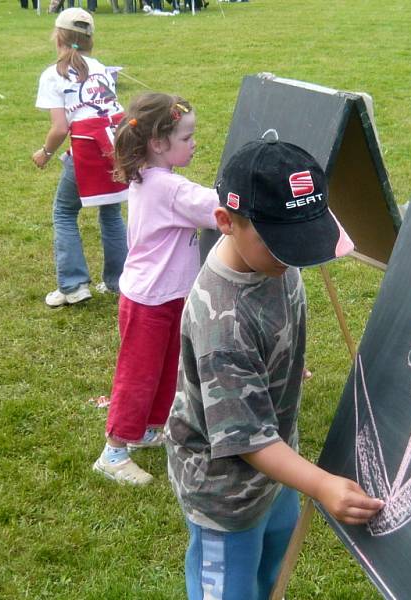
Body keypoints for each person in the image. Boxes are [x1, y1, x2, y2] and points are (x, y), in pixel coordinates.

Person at [165, 131, 384, 600]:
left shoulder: (273, 262)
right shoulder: (222, 322)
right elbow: (245, 439)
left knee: (269, 580)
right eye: (284, 244)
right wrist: (322, 485)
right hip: (226, 492)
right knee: (230, 590)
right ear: (225, 221)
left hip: (277, 469)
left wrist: (276, 366)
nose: (297, 256)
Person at [91, 93, 219, 486]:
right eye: (186, 136)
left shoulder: (149, 176)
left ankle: (147, 428)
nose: (194, 142)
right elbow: (213, 207)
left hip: (163, 295)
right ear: (157, 143)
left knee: (167, 368)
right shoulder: (168, 189)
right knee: (139, 374)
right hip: (150, 301)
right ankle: (113, 452)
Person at [33, 8, 129, 307]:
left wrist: (45, 152)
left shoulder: (53, 74)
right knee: (111, 213)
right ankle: (119, 280)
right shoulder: (101, 67)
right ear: (90, 39)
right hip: (114, 145)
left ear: (58, 37)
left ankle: (73, 286)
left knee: (64, 212)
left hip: (88, 149)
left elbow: (60, 127)